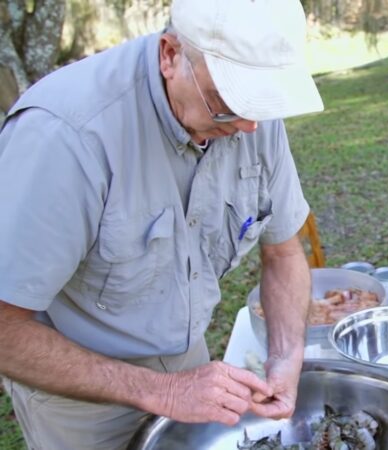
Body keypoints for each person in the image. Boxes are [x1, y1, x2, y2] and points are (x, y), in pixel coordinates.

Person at [0, 0, 323, 448]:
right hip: (79, 396)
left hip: (186, 359)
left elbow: (284, 251)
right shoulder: (65, 137)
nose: (249, 124)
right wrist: (160, 390)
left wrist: (286, 359)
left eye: (260, 103)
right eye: (227, 102)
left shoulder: (250, 117)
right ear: (170, 55)